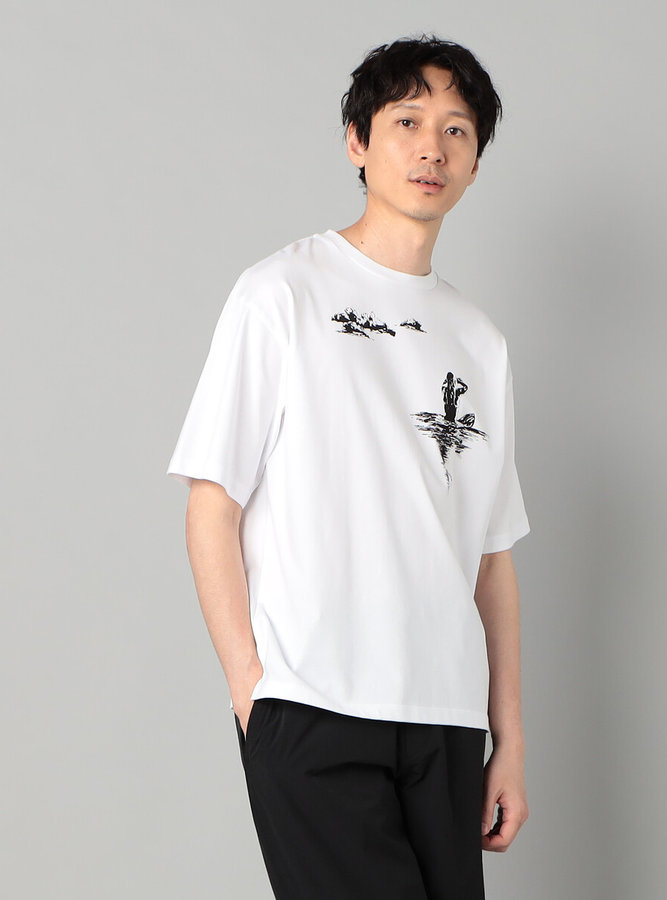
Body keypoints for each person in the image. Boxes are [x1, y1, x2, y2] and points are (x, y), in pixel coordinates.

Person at [166, 33, 531, 900]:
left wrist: (508, 740)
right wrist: (253, 694)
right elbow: (213, 504)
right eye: (407, 121)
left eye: (456, 129)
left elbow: (491, 558)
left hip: (445, 719)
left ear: (476, 163)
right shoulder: (281, 294)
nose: (432, 147)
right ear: (357, 142)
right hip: (313, 706)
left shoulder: (480, 342)